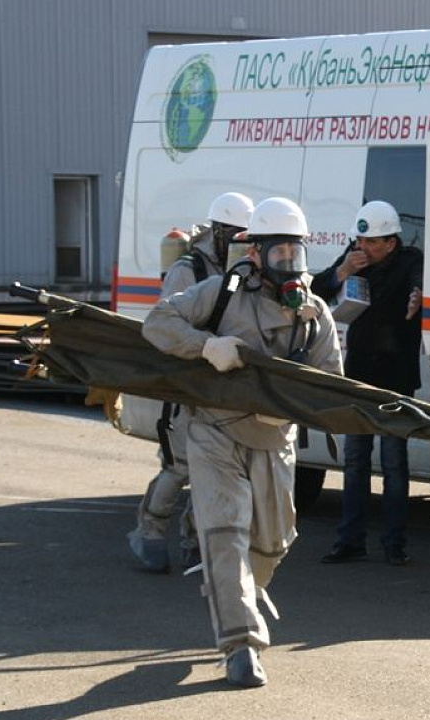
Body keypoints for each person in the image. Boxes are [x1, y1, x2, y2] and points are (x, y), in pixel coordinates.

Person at [142, 196, 342, 688]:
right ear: (255, 253)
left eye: (295, 252)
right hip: (215, 430)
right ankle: (241, 646)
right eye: (278, 252)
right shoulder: (221, 293)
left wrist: (294, 405)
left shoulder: (313, 313)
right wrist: (206, 345)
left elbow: (332, 383)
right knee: (225, 532)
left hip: (274, 438)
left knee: (273, 542)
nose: (287, 263)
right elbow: (158, 323)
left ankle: (237, 590)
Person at [127, 191, 253, 573]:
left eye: (246, 236)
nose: (240, 242)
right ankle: (149, 530)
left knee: (218, 468)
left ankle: (196, 539)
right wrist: (206, 346)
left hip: (225, 385)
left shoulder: (246, 269)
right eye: (234, 234)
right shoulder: (187, 269)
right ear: (218, 230)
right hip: (188, 381)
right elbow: (166, 327)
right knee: (179, 466)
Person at [312, 200, 423, 567]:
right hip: (359, 373)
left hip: (395, 377)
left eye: (372, 243)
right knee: (355, 461)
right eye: (360, 241)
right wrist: (343, 270)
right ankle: (350, 541)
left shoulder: (410, 260)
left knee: (393, 463)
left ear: (391, 243)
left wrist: (418, 295)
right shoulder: (353, 256)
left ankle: (394, 543)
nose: (364, 248)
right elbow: (317, 290)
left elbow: (419, 284)